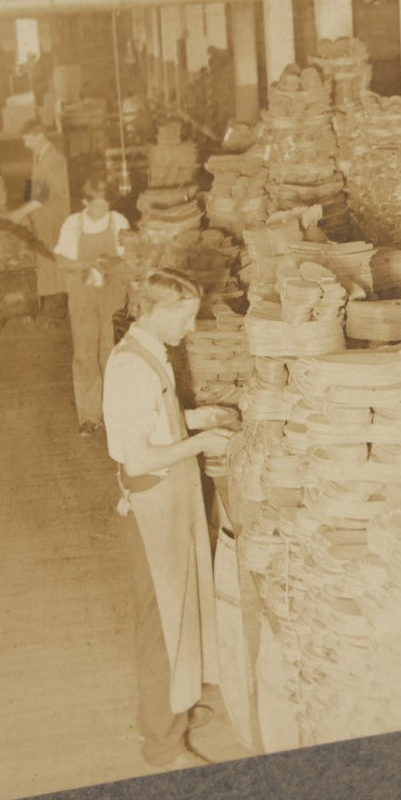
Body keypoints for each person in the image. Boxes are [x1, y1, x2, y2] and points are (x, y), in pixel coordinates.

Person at [102, 270, 236, 769]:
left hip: (170, 495)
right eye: (183, 317)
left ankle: (174, 711)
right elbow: (136, 456)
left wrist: (196, 419)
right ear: (153, 312)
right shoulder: (130, 368)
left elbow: (153, 421)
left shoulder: (149, 353)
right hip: (152, 503)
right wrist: (200, 443)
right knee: (162, 627)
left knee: (179, 615)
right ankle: (163, 744)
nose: (192, 327)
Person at [54, 178, 131, 436]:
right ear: (85, 202)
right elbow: (62, 260)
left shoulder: (118, 221)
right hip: (83, 293)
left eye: (105, 207)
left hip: (112, 291)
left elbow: (129, 258)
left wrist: (110, 263)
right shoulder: (73, 224)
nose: (102, 214)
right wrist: (87, 263)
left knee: (112, 349)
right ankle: (90, 415)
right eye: (97, 208)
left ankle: (115, 412)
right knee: (85, 352)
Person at [7, 120, 72, 317]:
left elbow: (44, 197)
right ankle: (53, 305)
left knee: (53, 258)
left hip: (53, 216)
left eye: (28, 140)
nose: (26, 144)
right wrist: (25, 208)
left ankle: (59, 309)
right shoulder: (38, 155)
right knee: (44, 260)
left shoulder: (54, 159)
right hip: (40, 215)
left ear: (40, 136)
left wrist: (20, 213)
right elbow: (35, 188)